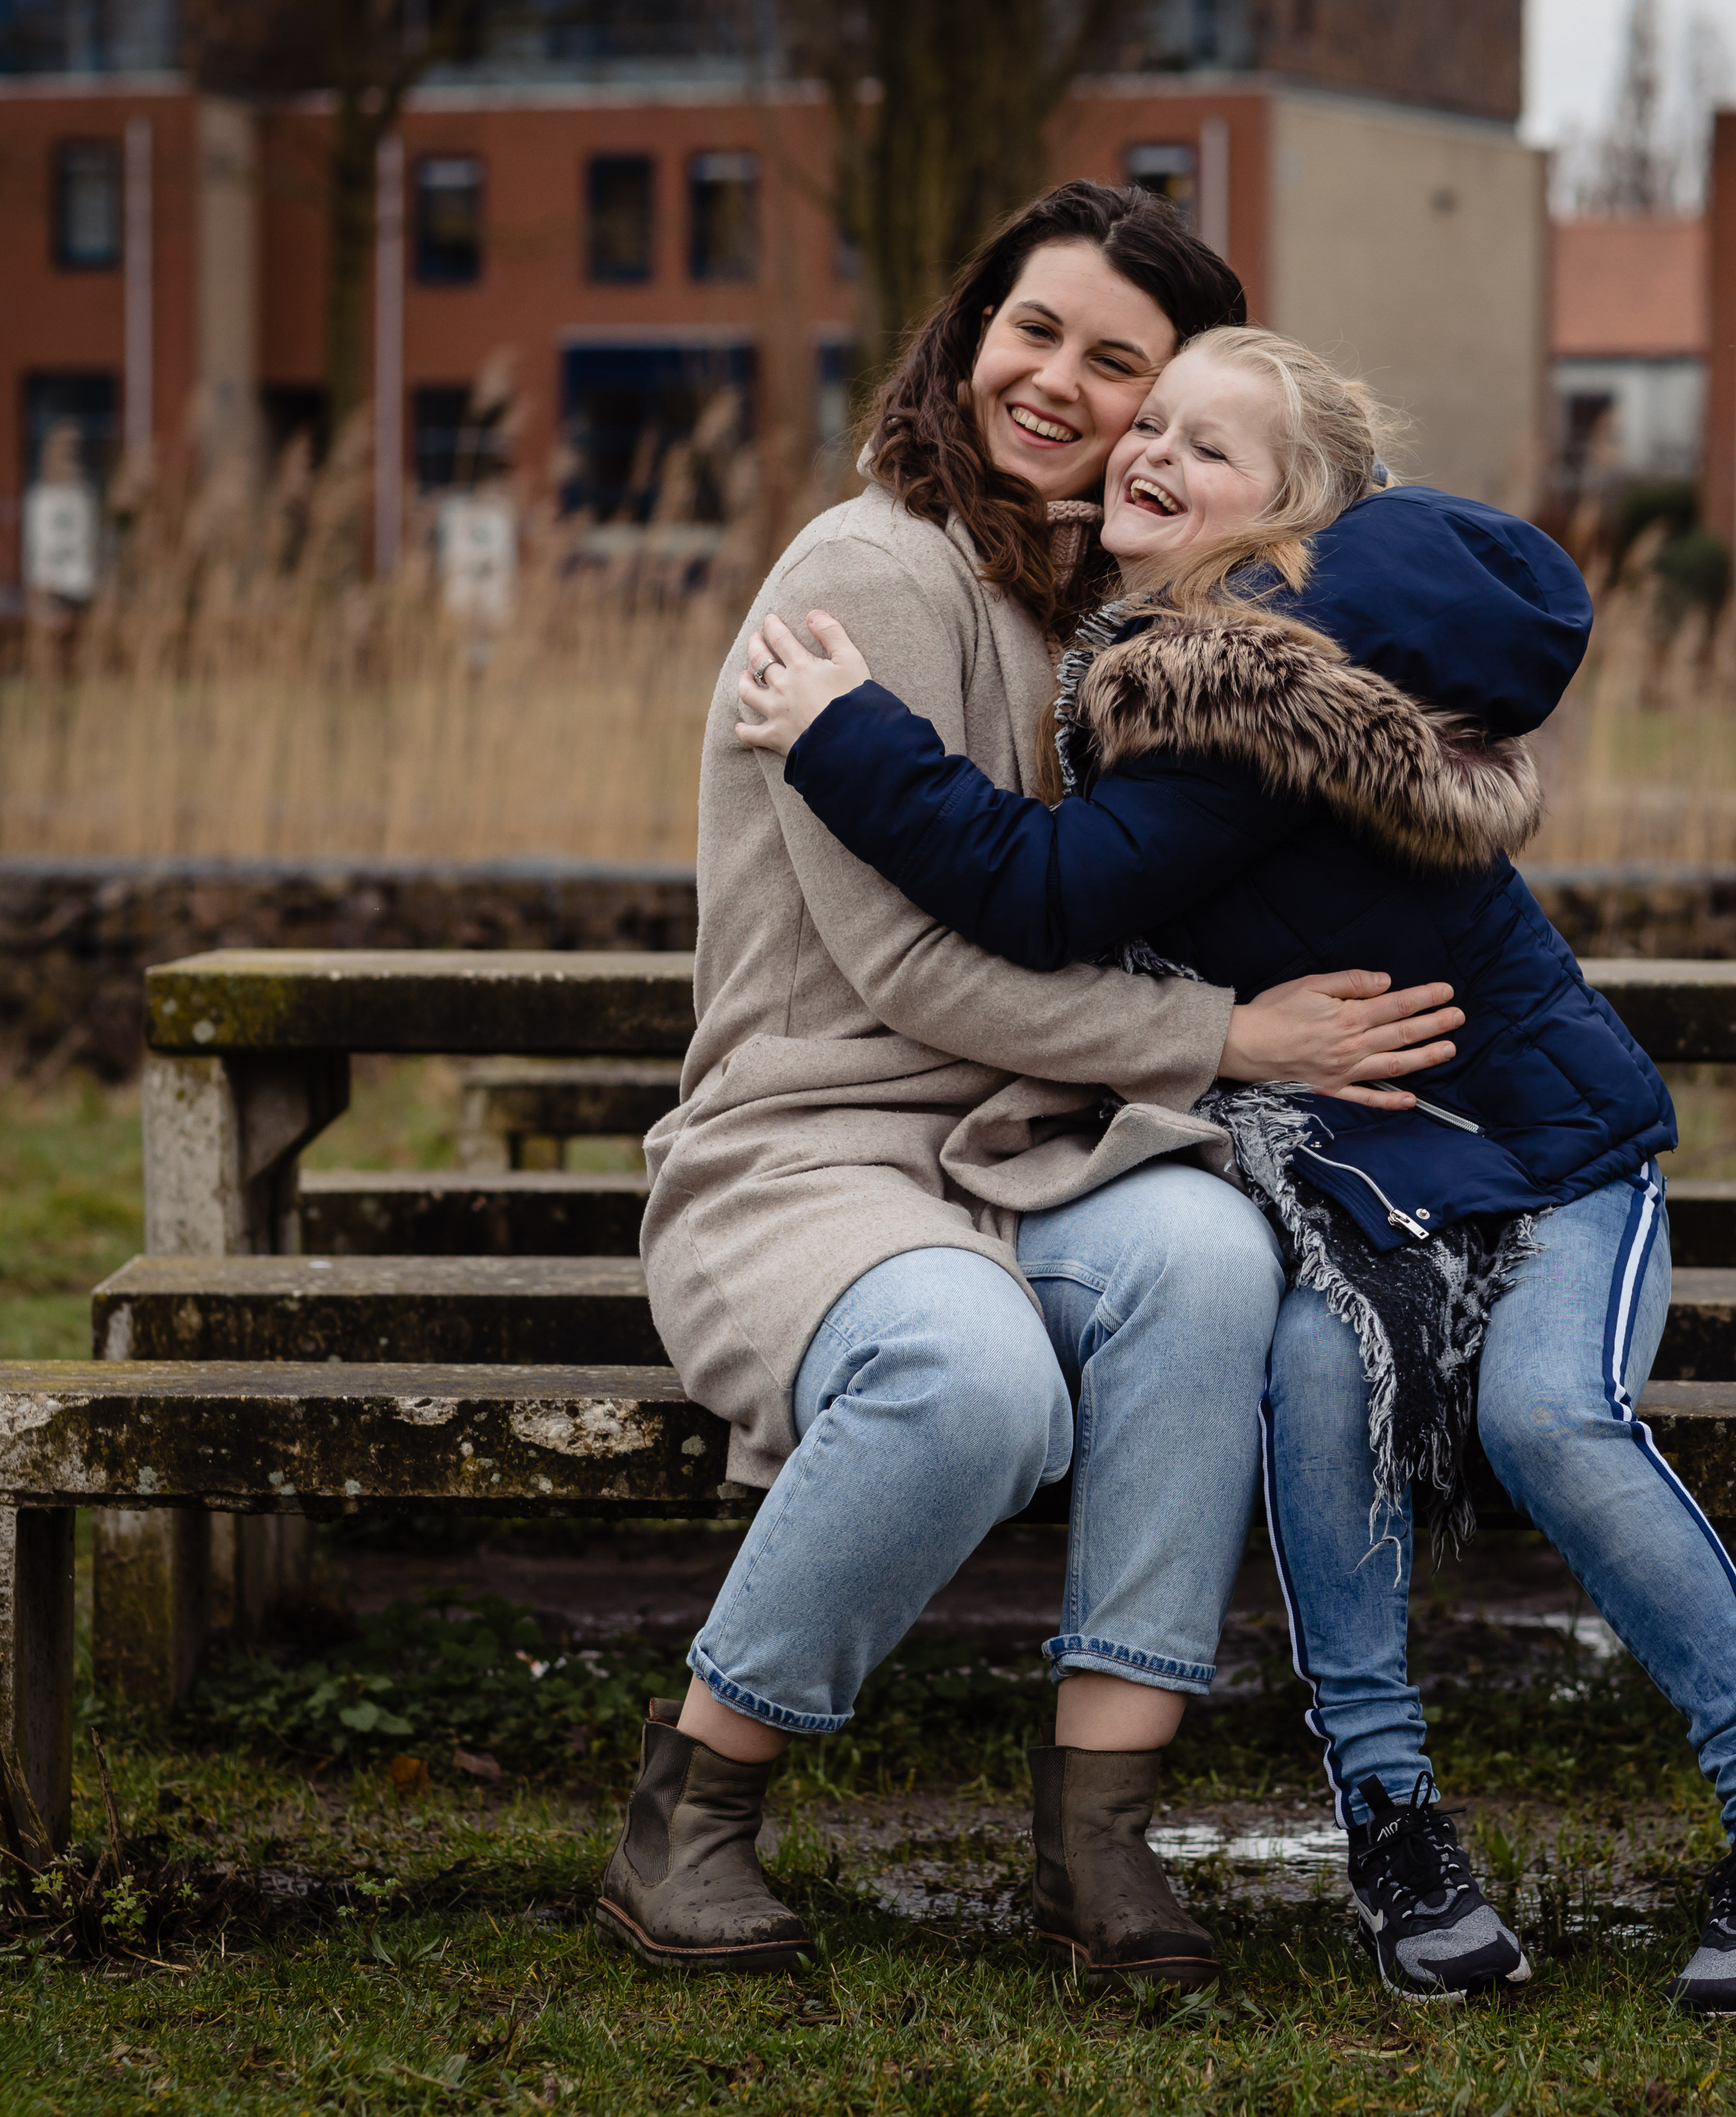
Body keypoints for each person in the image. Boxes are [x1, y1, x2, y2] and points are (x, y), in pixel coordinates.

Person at [728, 327, 1736, 2019]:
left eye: (1212, 450)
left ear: (1285, 533)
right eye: (1156, 421)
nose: (1150, 449)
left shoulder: (1245, 698)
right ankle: (1399, 1826)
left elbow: (1043, 891)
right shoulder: (1172, 657)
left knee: (1546, 1415)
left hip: (1559, 1166)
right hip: (1371, 1209)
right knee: (1310, 1368)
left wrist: (845, 729)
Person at [605, 188, 1466, 1995]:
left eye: (1124, 367)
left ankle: (1101, 1829)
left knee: (1212, 1260)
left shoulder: (1120, 600)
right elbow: (910, 969)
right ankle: (697, 1799)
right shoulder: (868, 574)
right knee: (968, 1372)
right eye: (1034, 331)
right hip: (812, 1153)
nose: (1064, 387)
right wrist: (1231, 1042)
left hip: (1030, 1145)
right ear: (968, 328)